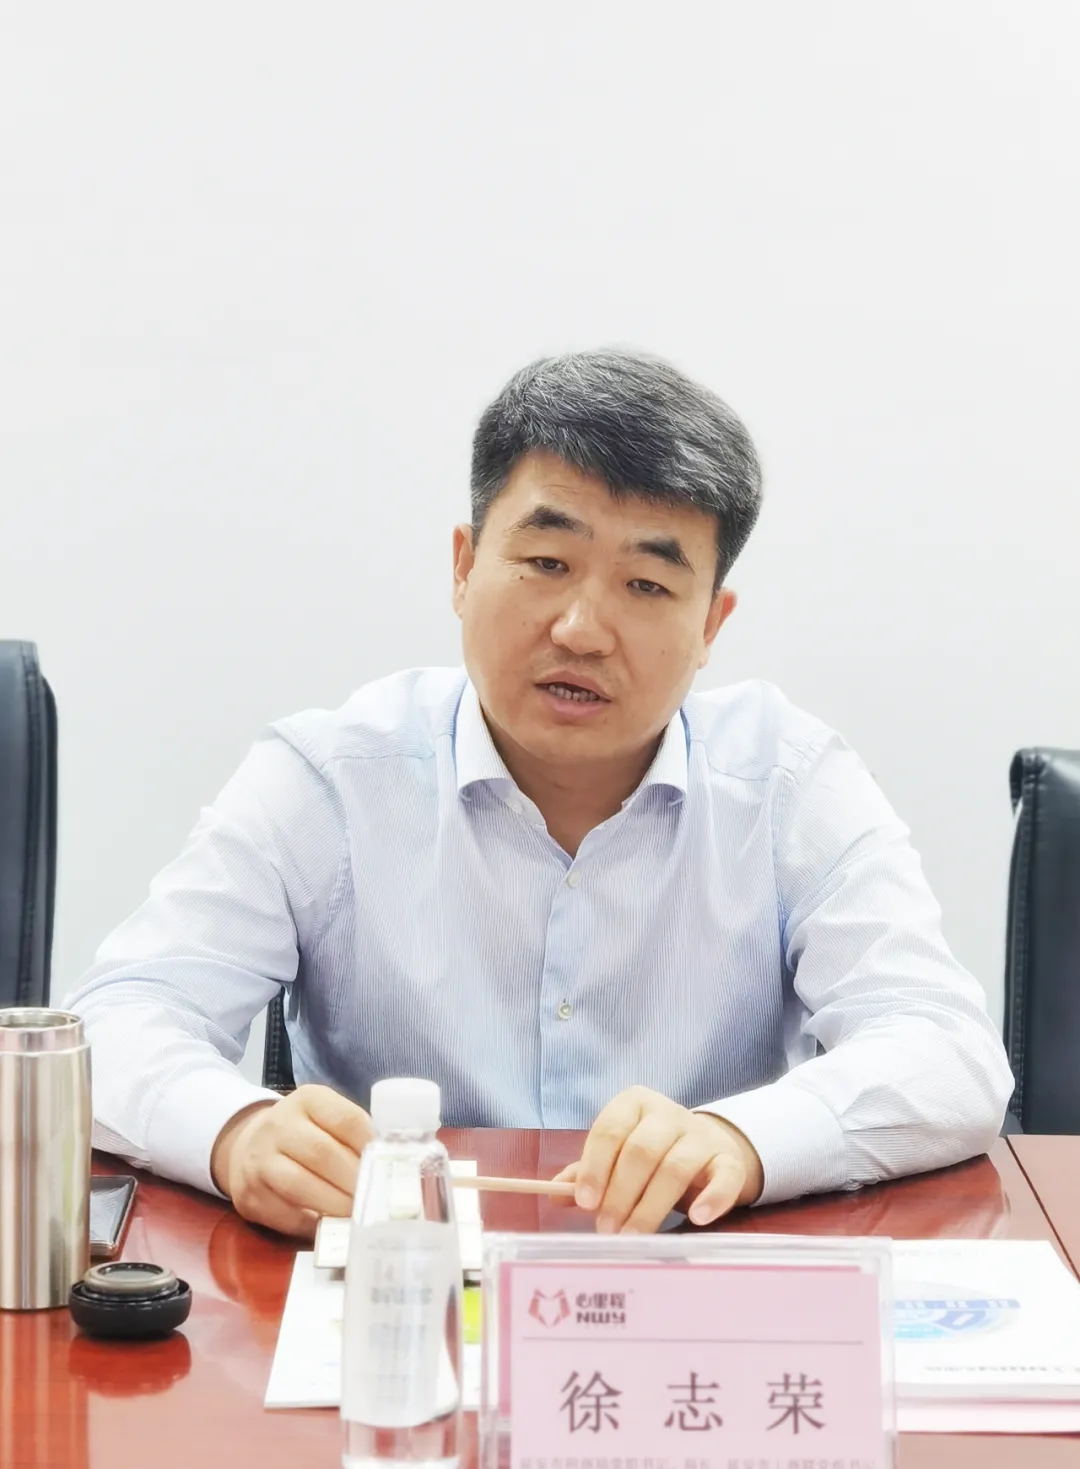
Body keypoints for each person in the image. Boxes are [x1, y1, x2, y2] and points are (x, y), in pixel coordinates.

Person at [68, 349, 1014, 1240]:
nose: (582, 629)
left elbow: (949, 1052)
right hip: (396, 1284)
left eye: (647, 584)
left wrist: (741, 1140)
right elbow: (114, 1022)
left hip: (694, 1282)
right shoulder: (332, 777)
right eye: (547, 564)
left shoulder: (789, 785)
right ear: (463, 567)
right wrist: (236, 1133)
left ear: (711, 625)